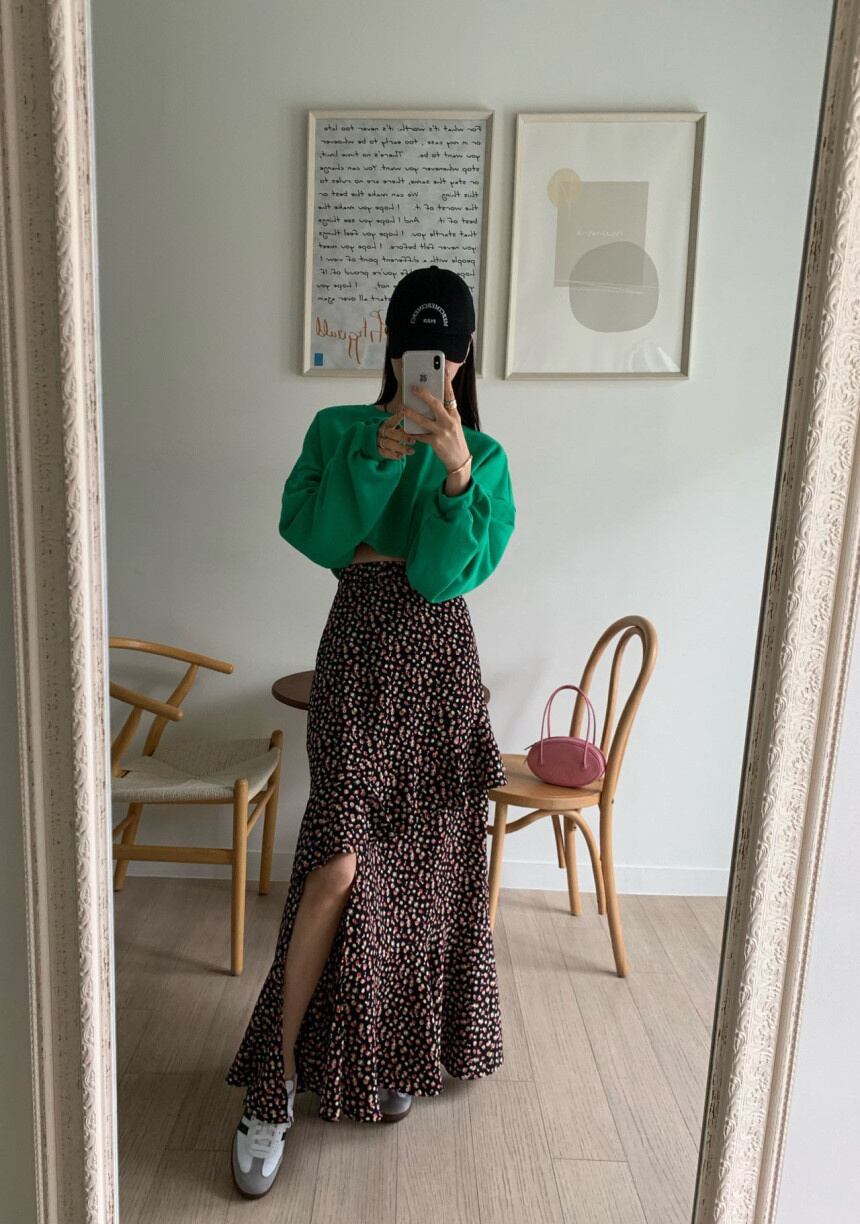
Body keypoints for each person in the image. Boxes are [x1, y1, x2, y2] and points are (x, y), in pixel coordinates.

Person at [226, 265, 516, 1198]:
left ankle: (384, 1052)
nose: (431, 364)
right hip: (356, 658)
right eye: (416, 347)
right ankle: (271, 1087)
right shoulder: (338, 431)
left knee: (422, 877)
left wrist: (455, 474)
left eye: (447, 350)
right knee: (337, 867)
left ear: (464, 357)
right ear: (392, 347)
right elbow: (316, 537)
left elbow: (436, 578)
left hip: (438, 669)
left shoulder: (487, 458)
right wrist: (378, 462)